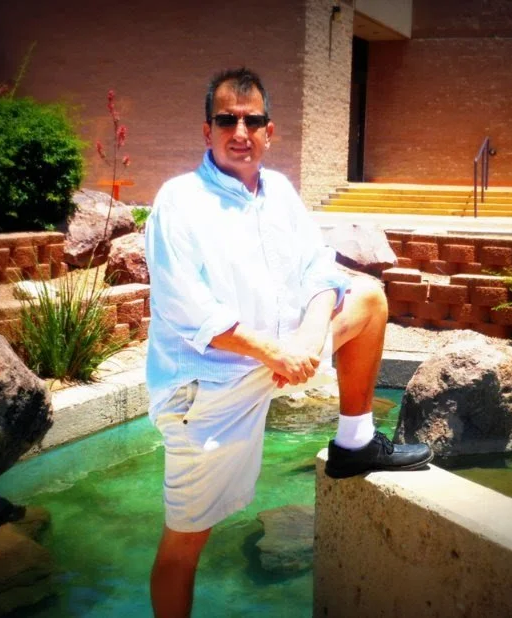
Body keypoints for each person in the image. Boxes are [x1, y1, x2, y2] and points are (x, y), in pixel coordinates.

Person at [144, 67, 431, 618]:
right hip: (210, 387)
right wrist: (277, 353)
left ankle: (355, 443)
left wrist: (308, 335)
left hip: (281, 359)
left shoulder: (278, 193)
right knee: (184, 544)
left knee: (367, 298)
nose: (240, 131)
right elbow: (188, 308)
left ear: (269, 131)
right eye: (227, 119)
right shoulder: (179, 200)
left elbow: (320, 271)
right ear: (207, 130)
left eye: (252, 120)